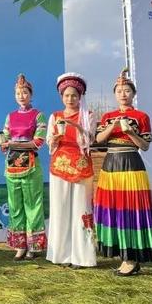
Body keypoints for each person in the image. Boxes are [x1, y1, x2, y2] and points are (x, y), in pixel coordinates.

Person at [94, 68, 152, 276]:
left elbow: (145, 146)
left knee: (131, 209)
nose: (123, 94)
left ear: (133, 93)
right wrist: (111, 127)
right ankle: (124, 255)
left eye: (127, 90)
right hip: (111, 165)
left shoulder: (141, 116)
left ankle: (132, 257)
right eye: (119, 91)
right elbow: (99, 140)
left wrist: (130, 132)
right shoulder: (108, 116)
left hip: (131, 164)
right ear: (115, 94)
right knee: (114, 209)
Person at [0, 74, 47, 260]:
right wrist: (0, 141)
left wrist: (11, 144)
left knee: (33, 205)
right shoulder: (11, 117)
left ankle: (34, 246)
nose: (21, 96)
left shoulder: (38, 115)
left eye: (24, 93)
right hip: (12, 166)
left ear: (31, 94)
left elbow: (38, 142)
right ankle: (20, 245)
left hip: (31, 164)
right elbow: (6, 139)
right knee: (15, 206)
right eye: (18, 93)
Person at [45, 73, 97, 269]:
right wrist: (54, 139)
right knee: (60, 209)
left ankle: (83, 257)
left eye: (74, 95)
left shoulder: (88, 116)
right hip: (59, 167)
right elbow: (50, 142)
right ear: (61, 96)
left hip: (81, 168)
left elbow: (90, 140)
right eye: (66, 95)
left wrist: (77, 127)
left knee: (81, 209)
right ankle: (61, 254)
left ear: (80, 96)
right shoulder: (55, 116)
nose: (70, 99)